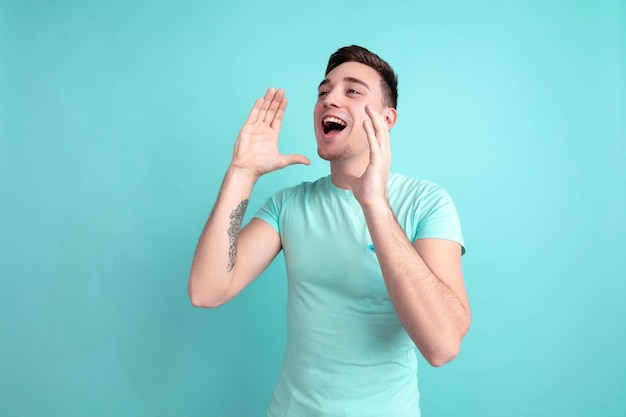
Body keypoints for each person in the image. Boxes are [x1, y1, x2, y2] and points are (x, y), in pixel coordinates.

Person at [188, 45, 471, 417]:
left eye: (352, 91)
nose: (329, 100)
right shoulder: (288, 205)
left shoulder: (427, 202)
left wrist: (374, 204)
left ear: (387, 119)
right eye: (324, 92)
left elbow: (442, 345)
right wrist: (242, 172)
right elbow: (206, 291)